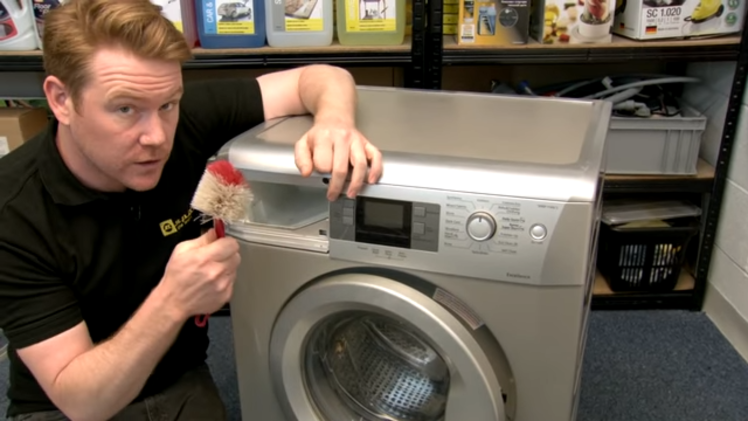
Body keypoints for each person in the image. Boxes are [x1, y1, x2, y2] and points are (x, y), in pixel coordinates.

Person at [0, 0, 383, 420]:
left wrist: (334, 122)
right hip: (66, 402)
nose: (157, 137)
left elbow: (322, 77)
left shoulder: (181, 120)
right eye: (124, 109)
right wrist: (174, 298)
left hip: (177, 376)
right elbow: (83, 402)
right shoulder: (13, 212)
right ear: (61, 100)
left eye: (168, 104)